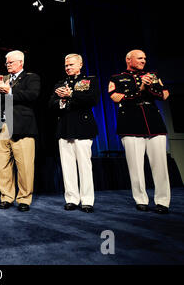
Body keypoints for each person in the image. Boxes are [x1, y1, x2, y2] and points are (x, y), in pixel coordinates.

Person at [108, 49, 171, 214]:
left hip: (154, 123)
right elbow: (116, 98)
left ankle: (163, 202)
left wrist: (149, 88)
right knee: (135, 166)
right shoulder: (116, 78)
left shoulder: (153, 75)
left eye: (144, 58)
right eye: (140, 58)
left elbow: (164, 95)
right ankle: (141, 200)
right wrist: (141, 88)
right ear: (129, 59)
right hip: (130, 123)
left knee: (160, 166)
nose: (143, 61)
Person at [0, 50, 40, 212]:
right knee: (2, 165)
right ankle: (6, 197)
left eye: (10, 62)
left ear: (20, 62)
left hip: (21, 127)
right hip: (1, 126)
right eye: (7, 63)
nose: (7, 65)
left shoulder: (31, 78)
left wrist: (9, 91)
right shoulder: (3, 79)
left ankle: (24, 199)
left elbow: (32, 95)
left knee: (24, 165)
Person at [49, 54, 100, 213]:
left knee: (84, 166)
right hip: (65, 127)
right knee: (67, 166)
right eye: (66, 65)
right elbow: (51, 104)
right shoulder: (60, 83)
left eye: (71, 65)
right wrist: (62, 101)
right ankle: (71, 198)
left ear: (80, 65)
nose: (68, 68)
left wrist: (70, 95)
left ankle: (87, 201)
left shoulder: (90, 81)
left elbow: (92, 99)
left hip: (83, 126)